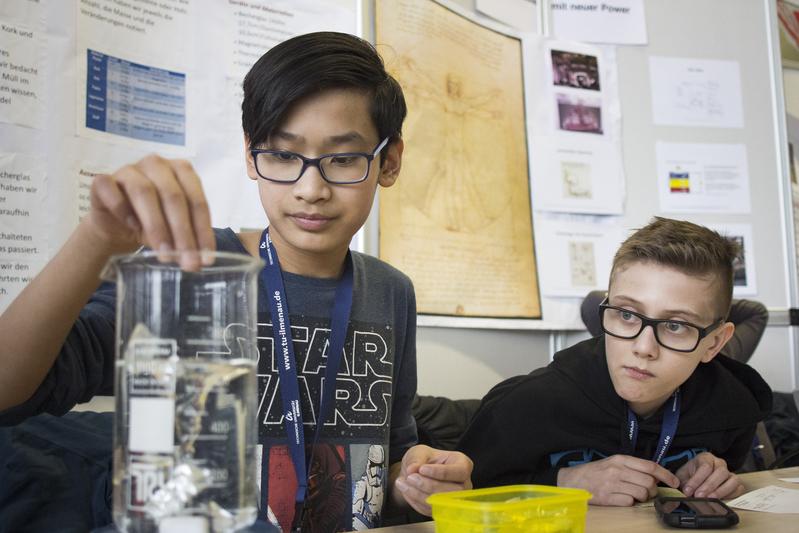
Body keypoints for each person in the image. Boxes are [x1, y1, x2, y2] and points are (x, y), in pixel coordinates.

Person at [0, 31, 472, 531]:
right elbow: (11, 391)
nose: (311, 189)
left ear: (389, 160)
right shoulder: (192, 266)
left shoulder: (391, 292)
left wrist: (415, 480)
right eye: (284, 156)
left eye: (343, 159)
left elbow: (388, 461)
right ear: (251, 155)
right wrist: (97, 237)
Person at [457, 217, 772, 506]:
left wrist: (708, 480)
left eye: (676, 325)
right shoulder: (524, 405)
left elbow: (725, 479)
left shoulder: (735, 406)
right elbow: (458, 496)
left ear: (714, 343)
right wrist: (563, 483)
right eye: (626, 314)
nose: (644, 347)